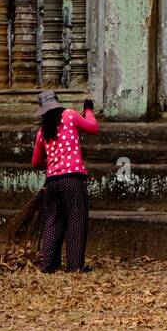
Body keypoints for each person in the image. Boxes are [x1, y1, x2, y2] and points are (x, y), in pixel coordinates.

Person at [31, 90, 98, 273]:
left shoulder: (42, 131)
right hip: (73, 179)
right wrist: (88, 110)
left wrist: (54, 161)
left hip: (52, 181)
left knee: (53, 221)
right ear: (57, 104)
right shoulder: (70, 116)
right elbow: (93, 127)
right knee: (76, 220)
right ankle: (75, 266)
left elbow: (36, 162)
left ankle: (48, 265)